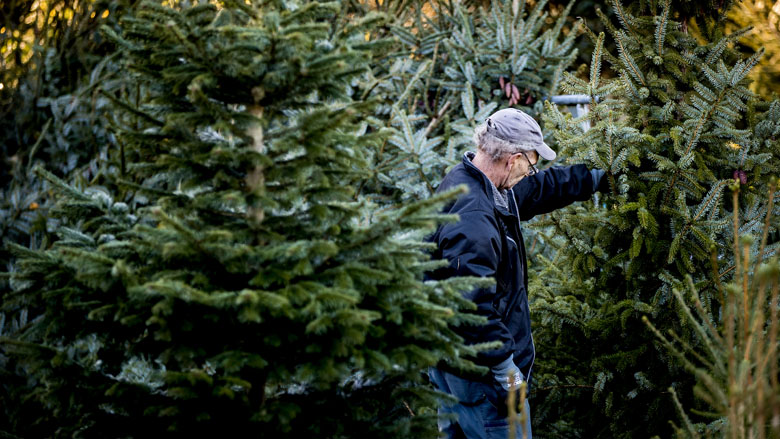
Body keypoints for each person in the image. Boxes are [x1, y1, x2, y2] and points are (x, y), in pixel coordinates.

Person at [427, 108, 607, 439]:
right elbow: (469, 306)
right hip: (482, 380)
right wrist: (504, 367)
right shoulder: (475, 219)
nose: (530, 173)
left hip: (450, 366)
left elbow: (538, 189)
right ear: (512, 159)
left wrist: (594, 178)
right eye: (529, 164)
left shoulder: (470, 182)